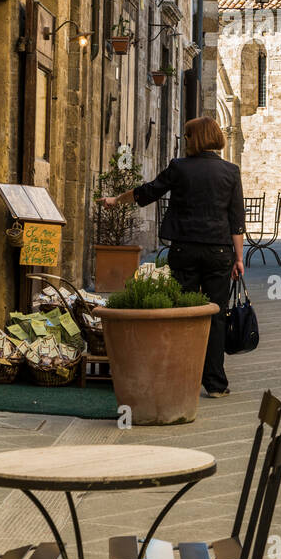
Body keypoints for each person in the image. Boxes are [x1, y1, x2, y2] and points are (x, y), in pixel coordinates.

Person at [98, 117, 245, 398]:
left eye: (188, 136)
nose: (185, 140)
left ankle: (181, 376)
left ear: (196, 138)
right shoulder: (230, 171)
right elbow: (236, 219)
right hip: (219, 251)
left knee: (181, 314)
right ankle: (215, 383)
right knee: (216, 315)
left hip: (184, 250)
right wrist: (239, 259)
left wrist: (117, 200)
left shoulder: (180, 168)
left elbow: (148, 191)